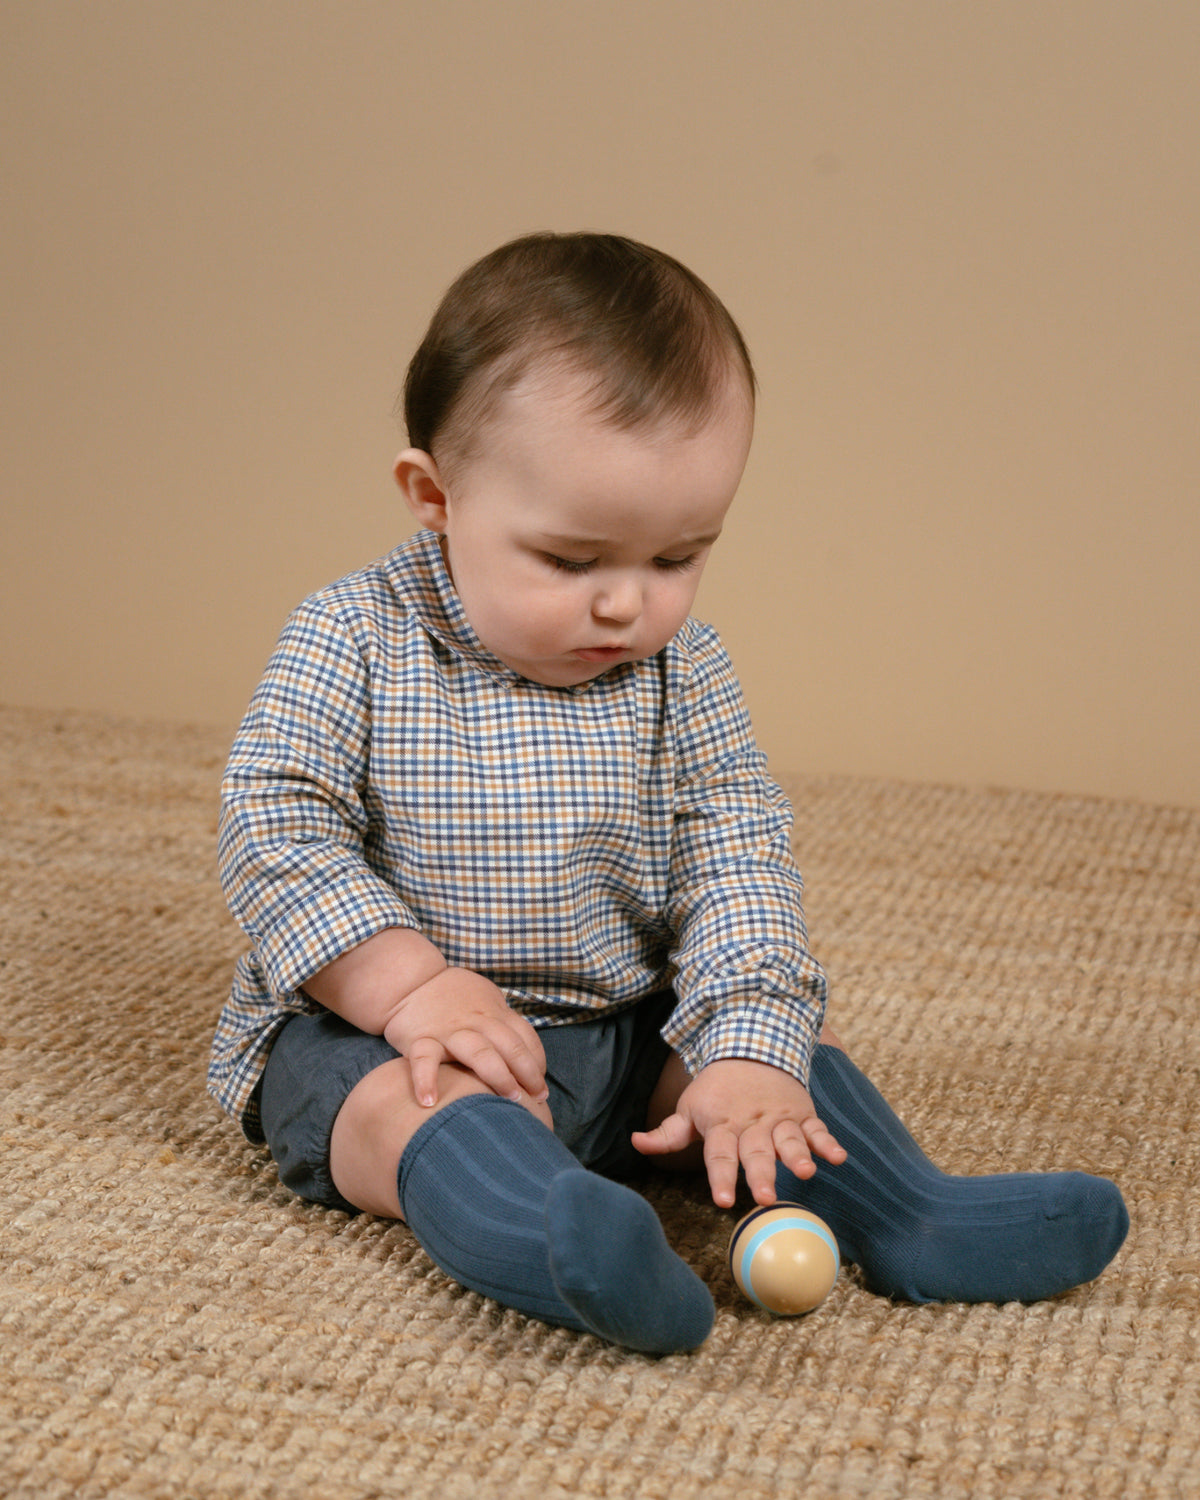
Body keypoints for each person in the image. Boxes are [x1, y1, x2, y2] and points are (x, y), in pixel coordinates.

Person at [208, 232, 1128, 1354]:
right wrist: (408, 990)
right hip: (389, 1033)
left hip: (622, 1025)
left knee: (780, 1069)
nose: (625, 608)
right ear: (435, 496)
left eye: (677, 557)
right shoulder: (354, 637)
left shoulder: (684, 675)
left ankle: (909, 1215)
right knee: (413, 1115)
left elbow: (737, 859)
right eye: (572, 559)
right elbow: (276, 825)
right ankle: (553, 1232)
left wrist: (746, 1047)